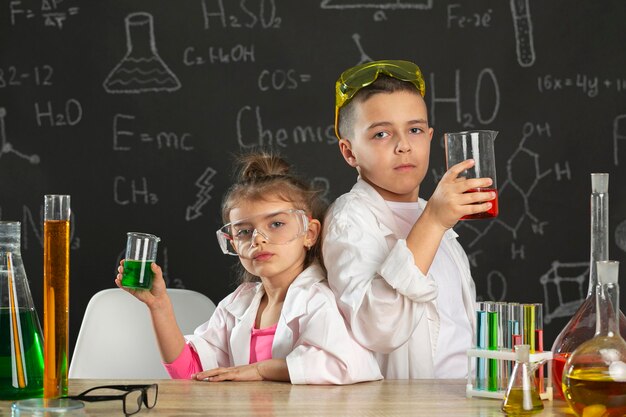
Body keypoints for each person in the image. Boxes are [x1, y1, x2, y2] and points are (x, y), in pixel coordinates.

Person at [116, 151, 382, 385]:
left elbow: (344, 365)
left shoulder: (319, 299)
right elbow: (190, 371)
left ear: (309, 233)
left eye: (276, 224)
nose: (259, 239)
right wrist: (159, 306)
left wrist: (261, 370)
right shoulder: (238, 304)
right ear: (231, 241)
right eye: (244, 231)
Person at [323, 60, 495, 379]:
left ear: (430, 137)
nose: (403, 146)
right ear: (349, 153)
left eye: (414, 130)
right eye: (381, 134)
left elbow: (458, 330)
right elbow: (378, 328)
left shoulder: (434, 213)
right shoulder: (350, 217)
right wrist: (432, 222)